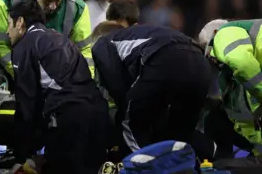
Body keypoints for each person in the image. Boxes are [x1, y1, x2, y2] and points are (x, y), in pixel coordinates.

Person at [7, 0, 109, 174]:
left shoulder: (25, 46)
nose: (7, 33)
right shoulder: (62, 39)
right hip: (98, 116)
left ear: (20, 22)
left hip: (68, 121)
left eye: (9, 25)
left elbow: (27, 105)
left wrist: (22, 155)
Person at [91, 22, 216, 160]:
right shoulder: (142, 34)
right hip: (200, 62)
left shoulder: (102, 44)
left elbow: (120, 91)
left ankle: (144, 172)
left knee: (130, 124)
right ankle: (208, 157)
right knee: (180, 132)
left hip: (165, 58)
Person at [0, 0, 93, 78]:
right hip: (15, 74)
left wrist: (84, 81)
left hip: (59, 79)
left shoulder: (77, 8)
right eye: (47, 0)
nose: (52, 6)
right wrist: (21, 70)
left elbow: (84, 51)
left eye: (58, 0)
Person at [199, 19, 262, 155]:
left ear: (215, 33)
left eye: (206, 45)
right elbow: (242, 123)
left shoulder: (225, 33)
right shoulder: (228, 78)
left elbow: (243, 64)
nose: (207, 55)